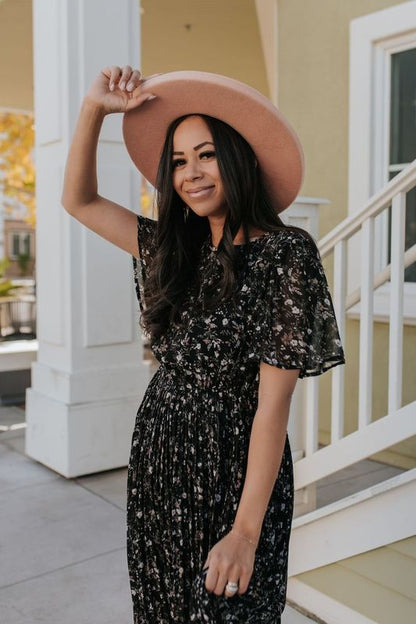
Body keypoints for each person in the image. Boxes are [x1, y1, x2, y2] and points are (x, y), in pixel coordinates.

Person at [61, 65, 346, 624]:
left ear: (237, 158)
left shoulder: (285, 254)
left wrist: (244, 532)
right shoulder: (171, 248)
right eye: (178, 161)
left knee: (230, 612)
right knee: (162, 608)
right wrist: (93, 108)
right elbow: (80, 200)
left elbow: (272, 407)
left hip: (234, 469)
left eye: (207, 154)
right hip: (160, 458)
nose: (191, 173)